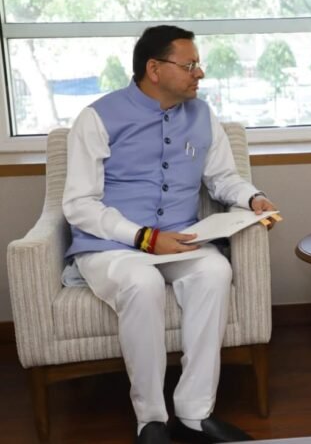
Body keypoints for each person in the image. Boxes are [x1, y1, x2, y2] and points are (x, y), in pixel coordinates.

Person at [62, 25, 276, 443]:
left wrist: (252, 198)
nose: (200, 73)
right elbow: (79, 204)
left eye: (198, 64)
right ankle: (151, 421)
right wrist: (143, 238)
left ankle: (195, 413)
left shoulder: (203, 116)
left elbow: (222, 178)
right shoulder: (96, 118)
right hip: (113, 247)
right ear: (154, 69)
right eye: (190, 65)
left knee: (215, 272)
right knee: (142, 283)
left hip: (181, 240)